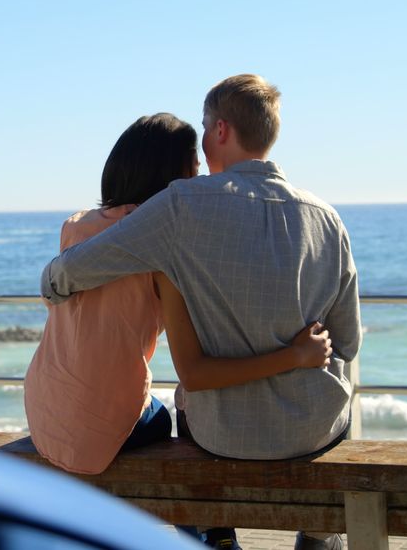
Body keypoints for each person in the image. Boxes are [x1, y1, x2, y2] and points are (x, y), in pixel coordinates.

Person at [39, 76, 361, 550]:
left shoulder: (181, 207)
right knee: (340, 405)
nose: (203, 139)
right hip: (313, 431)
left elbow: (79, 269)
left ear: (222, 130)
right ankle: (317, 535)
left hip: (223, 435)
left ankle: (216, 535)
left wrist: (52, 283)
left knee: (179, 402)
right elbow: (348, 342)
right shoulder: (327, 217)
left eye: (207, 125)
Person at [25, 113, 334, 479]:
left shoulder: (76, 225)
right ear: (172, 177)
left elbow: (56, 301)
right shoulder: (165, 253)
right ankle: (211, 534)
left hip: (44, 406)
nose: (200, 173)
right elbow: (196, 371)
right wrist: (296, 354)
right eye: (193, 164)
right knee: (179, 417)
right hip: (96, 426)